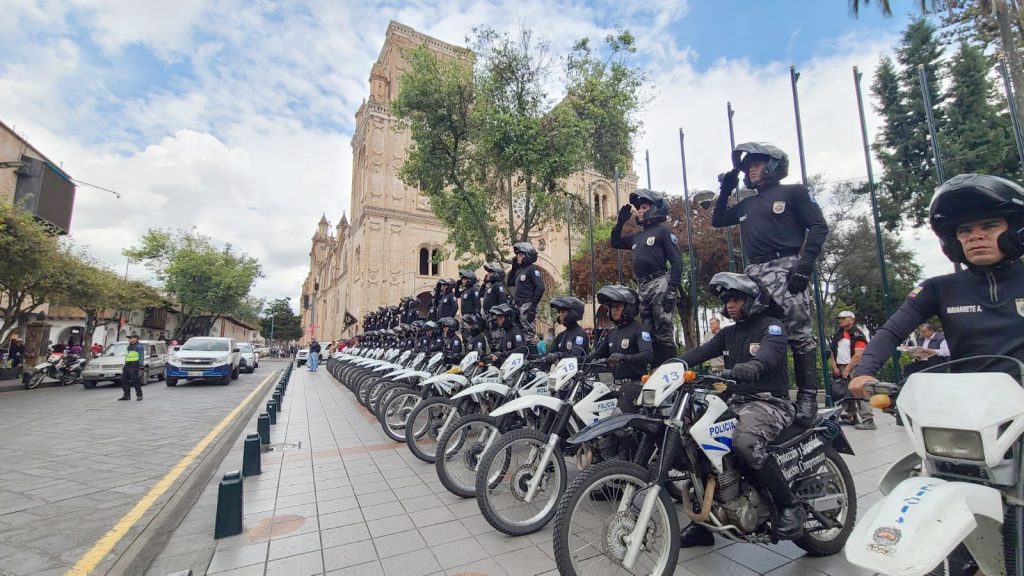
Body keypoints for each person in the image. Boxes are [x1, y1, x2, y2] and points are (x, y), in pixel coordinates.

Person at [851, 174, 1024, 396]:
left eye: (990, 226)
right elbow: (892, 331)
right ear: (953, 241)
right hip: (968, 403)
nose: (976, 236)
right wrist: (864, 372)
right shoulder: (938, 289)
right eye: (965, 230)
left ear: (1014, 229)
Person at [676, 272, 803, 546]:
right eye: (727, 300)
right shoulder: (727, 333)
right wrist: (674, 365)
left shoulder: (772, 327)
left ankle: (789, 505)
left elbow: (768, 357)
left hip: (769, 402)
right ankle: (704, 523)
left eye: (736, 299)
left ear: (753, 300)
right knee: (695, 439)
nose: (730, 305)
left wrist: (754, 366)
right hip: (736, 401)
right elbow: (700, 353)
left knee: (744, 441)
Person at [714, 142, 829, 425]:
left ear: (774, 165)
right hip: (754, 272)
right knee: (758, 331)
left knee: (797, 333)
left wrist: (805, 263)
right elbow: (718, 219)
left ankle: (807, 396)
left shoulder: (794, 192)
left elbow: (818, 226)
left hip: (785, 266)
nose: (751, 170)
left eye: (756, 164)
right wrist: (725, 190)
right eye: (748, 167)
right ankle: (767, 393)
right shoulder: (747, 203)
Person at [612, 188, 685, 367]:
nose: (640, 211)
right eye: (638, 208)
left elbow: (677, 261)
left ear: (654, 208)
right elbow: (615, 242)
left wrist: (672, 289)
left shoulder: (663, 232)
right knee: (648, 330)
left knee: (663, 329)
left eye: (644, 207)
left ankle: (670, 369)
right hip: (642, 285)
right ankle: (655, 368)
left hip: (659, 282)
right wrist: (620, 223)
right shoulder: (637, 236)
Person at [593, 285, 654, 413]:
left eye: (617, 306)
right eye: (611, 307)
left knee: (619, 420)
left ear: (629, 308)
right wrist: (577, 361)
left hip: (634, 386)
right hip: (613, 386)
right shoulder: (612, 333)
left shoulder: (639, 329)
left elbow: (648, 355)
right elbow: (597, 354)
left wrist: (626, 358)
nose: (613, 310)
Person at [828, 311, 873, 429]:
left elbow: (858, 355)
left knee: (860, 392)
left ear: (852, 320)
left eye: (844, 318)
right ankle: (852, 417)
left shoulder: (857, 334)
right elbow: (833, 352)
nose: (841, 320)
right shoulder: (838, 334)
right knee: (844, 394)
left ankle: (868, 420)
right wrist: (835, 367)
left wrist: (848, 369)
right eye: (840, 318)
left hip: (855, 367)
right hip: (840, 367)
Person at [508, 242, 545, 344]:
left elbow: (540, 287)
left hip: (527, 305)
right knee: (520, 337)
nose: (517, 257)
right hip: (519, 306)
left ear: (527, 255)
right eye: (517, 254)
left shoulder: (532, 269)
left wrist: (533, 306)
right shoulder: (520, 271)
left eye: (520, 254)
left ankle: (532, 353)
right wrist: (514, 268)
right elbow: (510, 283)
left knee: (529, 337)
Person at [541, 297, 590, 366]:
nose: (560, 315)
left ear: (572, 314)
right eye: (559, 312)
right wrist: (532, 357)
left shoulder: (580, 335)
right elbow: (549, 353)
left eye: (563, 312)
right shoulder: (561, 335)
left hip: (578, 371)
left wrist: (558, 355)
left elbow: (574, 357)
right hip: (559, 371)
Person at [481, 262, 508, 349]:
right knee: (490, 341)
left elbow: (502, 301)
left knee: (497, 340)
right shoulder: (490, 286)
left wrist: (499, 316)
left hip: (495, 317)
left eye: (490, 272)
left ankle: (498, 355)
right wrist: (484, 283)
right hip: (488, 316)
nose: (488, 274)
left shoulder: (498, 285)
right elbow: (480, 294)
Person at [119, 334, 146, 401]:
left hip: (134, 365)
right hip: (127, 365)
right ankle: (126, 396)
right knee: (124, 380)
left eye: (130, 338)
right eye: (129, 338)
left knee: (135, 381)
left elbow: (141, 356)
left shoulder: (139, 346)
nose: (129, 339)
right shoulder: (129, 346)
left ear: (135, 339)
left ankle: (139, 395)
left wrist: (141, 365)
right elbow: (128, 356)